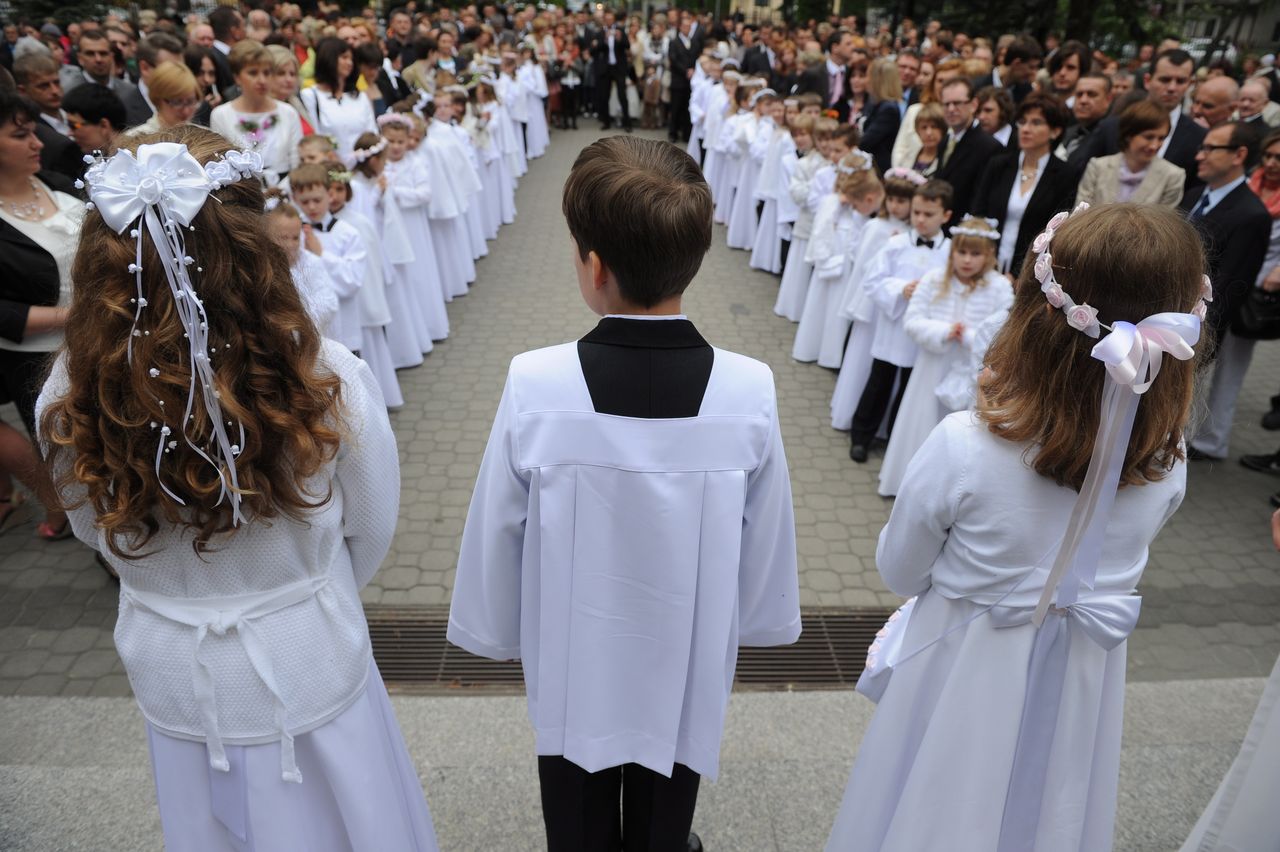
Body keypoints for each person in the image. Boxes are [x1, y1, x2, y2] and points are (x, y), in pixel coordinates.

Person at [37, 124, 438, 850]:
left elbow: (93, 528)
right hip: (305, 645)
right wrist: (299, 579)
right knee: (351, 815)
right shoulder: (323, 375)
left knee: (206, 822)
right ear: (252, 246)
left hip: (171, 657)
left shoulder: (69, 391)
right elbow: (370, 526)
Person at [448, 136, 800, 852]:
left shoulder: (537, 381)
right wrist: (760, 619)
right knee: (663, 820)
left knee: (575, 822)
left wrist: (493, 629)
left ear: (593, 265)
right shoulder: (746, 386)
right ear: (695, 259)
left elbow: (498, 526)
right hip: (688, 651)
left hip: (573, 653)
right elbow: (767, 533)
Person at [827, 200, 1206, 852]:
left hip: (960, 662)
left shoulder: (966, 446)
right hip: (1083, 670)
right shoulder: (1168, 464)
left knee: (933, 800)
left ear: (1033, 311)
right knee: (1051, 803)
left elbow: (901, 569)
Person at [876, 217, 1013, 497]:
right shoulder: (935, 279)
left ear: (989, 256)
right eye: (961, 252)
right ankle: (907, 484)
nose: (967, 260)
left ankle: (946, 493)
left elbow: (1004, 335)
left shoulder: (999, 288)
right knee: (921, 421)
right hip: (932, 366)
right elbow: (912, 321)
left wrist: (969, 336)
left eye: (975, 254)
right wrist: (943, 331)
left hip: (970, 370)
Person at [0, 90, 78, 541]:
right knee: (67, 450)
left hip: (99, 337)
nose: (38, 143)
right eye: (20, 135)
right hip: (38, 358)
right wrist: (69, 316)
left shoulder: (56, 182)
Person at [1183, 122, 1272, 461]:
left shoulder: (1251, 215)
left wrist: (1198, 345)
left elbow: (1229, 289)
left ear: (1239, 155)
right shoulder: (1194, 196)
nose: (1199, 155)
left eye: (1210, 148)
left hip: (1189, 334)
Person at [848, 178, 953, 463]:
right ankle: (862, 435)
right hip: (892, 328)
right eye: (916, 212)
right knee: (879, 380)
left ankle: (896, 439)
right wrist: (899, 289)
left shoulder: (951, 253)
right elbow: (873, 280)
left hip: (923, 334)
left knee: (909, 388)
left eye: (928, 214)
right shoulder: (896, 244)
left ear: (946, 216)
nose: (920, 219)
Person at [973, 92, 1076, 277]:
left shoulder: (1065, 174)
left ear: (1055, 131)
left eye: (1036, 123)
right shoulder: (999, 164)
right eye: (1022, 121)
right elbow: (978, 214)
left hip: (1030, 272)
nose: (1025, 129)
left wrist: (1020, 273)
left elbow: (1054, 232)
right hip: (984, 265)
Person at [1078, 49, 1206, 192]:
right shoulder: (1110, 127)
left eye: (1180, 81)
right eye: (1165, 79)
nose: (1172, 88)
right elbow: (1083, 180)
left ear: (1190, 84)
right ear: (1147, 80)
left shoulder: (1199, 137)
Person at [210, 40, 303, 185]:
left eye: (267, 73)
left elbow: (297, 163)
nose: (262, 80)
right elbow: (221, 165)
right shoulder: (221, 115)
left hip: (284, 194)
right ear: (237, 77)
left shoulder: (288, 113)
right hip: (242, 196)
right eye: (253, 73)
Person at [1075, 99, 1185, 206]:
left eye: (1161, 138)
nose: (1154, 145)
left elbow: (1164, 222)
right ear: (1129, 135)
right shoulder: (1098, 167)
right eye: (1148, 137)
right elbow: (1080, 215)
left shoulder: (1172, 176)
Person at [935, 77, 1002, 220]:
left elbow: (981, 199)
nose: (951, 109)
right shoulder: (945, 141)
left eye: (957, 103)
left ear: (973, 104)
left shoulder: (989, 147)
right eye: (946, 104)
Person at [299, 38, 376, 156]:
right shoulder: (310, 96)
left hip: (363, 168)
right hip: (330, 167)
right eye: (344, 57)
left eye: (351, 59)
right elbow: (314, 136)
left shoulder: (360, 97)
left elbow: (372, 133)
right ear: (329, 58)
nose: (350, 63)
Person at [122, 32, 184, 128]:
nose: (178, 75)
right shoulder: (124, 109)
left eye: (181, 69)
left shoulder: (190, 105)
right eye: (170, 70)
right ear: (145, 68)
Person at [1058, 73, 1113, 173]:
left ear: (1108, 99)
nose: (1083, 100)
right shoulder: (1066, 132)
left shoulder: (1112, 136)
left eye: (1091, 94)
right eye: (1079, 95)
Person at [127, 61, 201, 135]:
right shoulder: (135, 139)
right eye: (177, 102)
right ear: (158, 99)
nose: (186, 111)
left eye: (191, 101)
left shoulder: (204, 137)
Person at [589, 10, 631, 132]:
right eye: (606, 19)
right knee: (604, 96)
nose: (608, 21)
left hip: (618, 68)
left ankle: (627, 122)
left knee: (622, 95)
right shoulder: (600, 33)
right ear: (604, 20)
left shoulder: (620, 30)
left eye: (610, 19)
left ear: (613, 20)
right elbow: (594, 50)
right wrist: (604, 40)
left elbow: (627, 45)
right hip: (605, 68)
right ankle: (606, 121)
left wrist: (619, 39)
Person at [61, 82, 127, 156]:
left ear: (103, 125)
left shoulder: (136, 162)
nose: (70, 133)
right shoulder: (100, 161)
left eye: (74, 126)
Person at [972, 34, 1041, 105]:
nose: (1034, 73)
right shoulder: (977, 87)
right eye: (1031, 67)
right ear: (1016, 63)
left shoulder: (1027, 92)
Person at [860, 58, 902, 173]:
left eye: (868, 76)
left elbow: (866, 142)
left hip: (878, 169)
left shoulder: (888, 109)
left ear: (877, 80)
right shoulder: (873, 103)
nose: (866, 80)